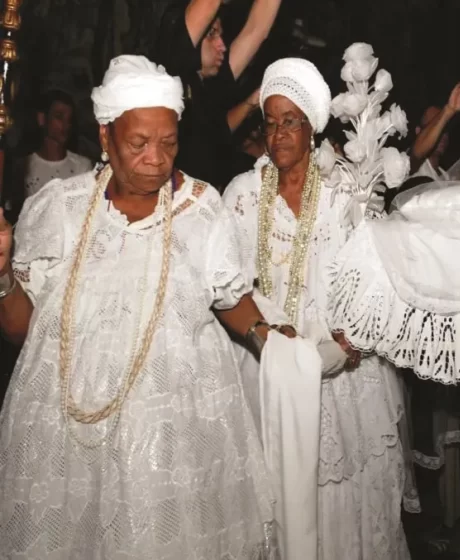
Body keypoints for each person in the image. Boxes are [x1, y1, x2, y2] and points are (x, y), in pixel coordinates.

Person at [0, 55, 283, 559]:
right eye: (138, 143)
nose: (156, 157)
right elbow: (21, 330)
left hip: (171, 437)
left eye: (168, 142)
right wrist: (2, 277)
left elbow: (230, 300)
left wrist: (267, 336)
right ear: (106, 137)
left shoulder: (201, 210)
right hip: (70, 441)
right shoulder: (59, 209)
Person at [223, 58, 411, 560]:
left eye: (291, 121)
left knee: (337, 503)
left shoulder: (344, 193)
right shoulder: (241, 194)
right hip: (263, 373)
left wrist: (344, 346)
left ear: (311, 127)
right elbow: (225, 286)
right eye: (271, 121)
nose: (279, 133)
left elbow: (377, 283)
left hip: (340, 377)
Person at [154, 0, 281, 190]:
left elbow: (256, 30)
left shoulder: (210, 86)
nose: (222, 44)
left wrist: (251, 103)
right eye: (212, 34)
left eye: (221, 35)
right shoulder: (170, 73)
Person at [24, 90, 92, 198]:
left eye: (69, 119)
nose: (66, 125)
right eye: (59, 117)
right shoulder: (25, 167)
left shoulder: (82, 166)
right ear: (42, 119)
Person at [410, 80, 460, 180]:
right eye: (433, 126)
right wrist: (449, 109)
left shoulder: (448, 177)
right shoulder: (409, 169)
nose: (441, 134)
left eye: (444, 128)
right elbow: (416, 154)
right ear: (418, 131)